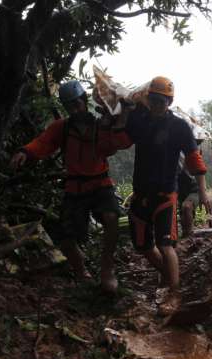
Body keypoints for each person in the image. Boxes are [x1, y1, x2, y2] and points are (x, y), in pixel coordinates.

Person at [10, 80, 128, 294]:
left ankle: (107, 266)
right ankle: (81, 272)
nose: (75, 109)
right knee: (66, 238)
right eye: (70, 106)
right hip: (75, 187)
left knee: (112, 218)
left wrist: (117, 120)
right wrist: (25, 152)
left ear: (84, 101)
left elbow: (114, 146)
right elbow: (42, 143)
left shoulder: (100, 124)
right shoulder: (62, 127)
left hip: (101, 183)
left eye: (77, 104)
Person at [124, 76, 212, 315]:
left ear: (169, 101)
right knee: (142, 246)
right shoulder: (140, 122)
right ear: (148, 99)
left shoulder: (179, 127)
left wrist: (203, 193)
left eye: (161, 101)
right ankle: (166, 275)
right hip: (141, 193)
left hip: (166, 194)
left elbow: (195, 161)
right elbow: (122, 136)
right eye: (153, 99)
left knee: (165, 245)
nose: (156, 104)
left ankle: (175, 293)